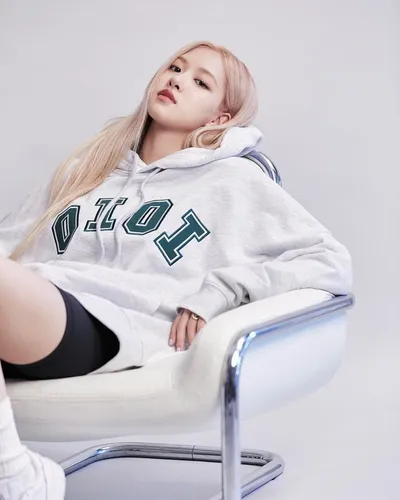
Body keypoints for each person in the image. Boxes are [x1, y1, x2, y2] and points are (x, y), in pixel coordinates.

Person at [0, 40, 352, 499]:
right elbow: (11, 242)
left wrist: (222, 289)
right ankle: (19, 477)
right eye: (175, 68)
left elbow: (328, 261)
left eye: (201, 82)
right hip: (37, 308)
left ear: (220, 117)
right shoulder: (86, 169)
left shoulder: (233, 181)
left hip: (113, 324)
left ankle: (16, 478)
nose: (178, 80)